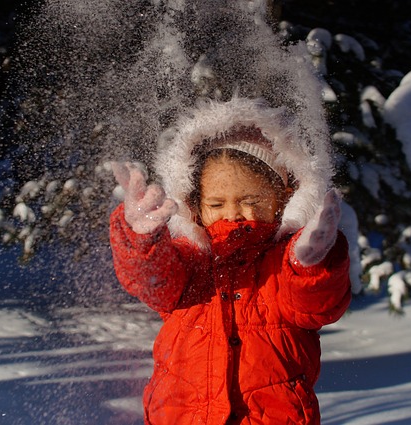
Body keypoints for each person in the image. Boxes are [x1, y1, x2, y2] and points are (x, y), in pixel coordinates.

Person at [108, 96, 351, 425]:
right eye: (217, 203)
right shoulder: (192, 261)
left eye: (250, 200)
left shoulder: (282, 263)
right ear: (196, 204)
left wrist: (313, 262)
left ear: (282, 199)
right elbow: (154, 281)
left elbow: (317, 302)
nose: (233, 213)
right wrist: (140, 240)